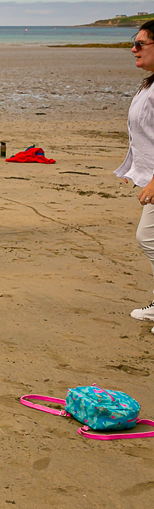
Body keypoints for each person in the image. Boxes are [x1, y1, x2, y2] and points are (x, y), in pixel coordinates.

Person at [117, 22, 154, 328]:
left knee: (148, 237)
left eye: (141, 44)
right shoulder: (150, 84)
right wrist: (137, 171)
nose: (133, 48)